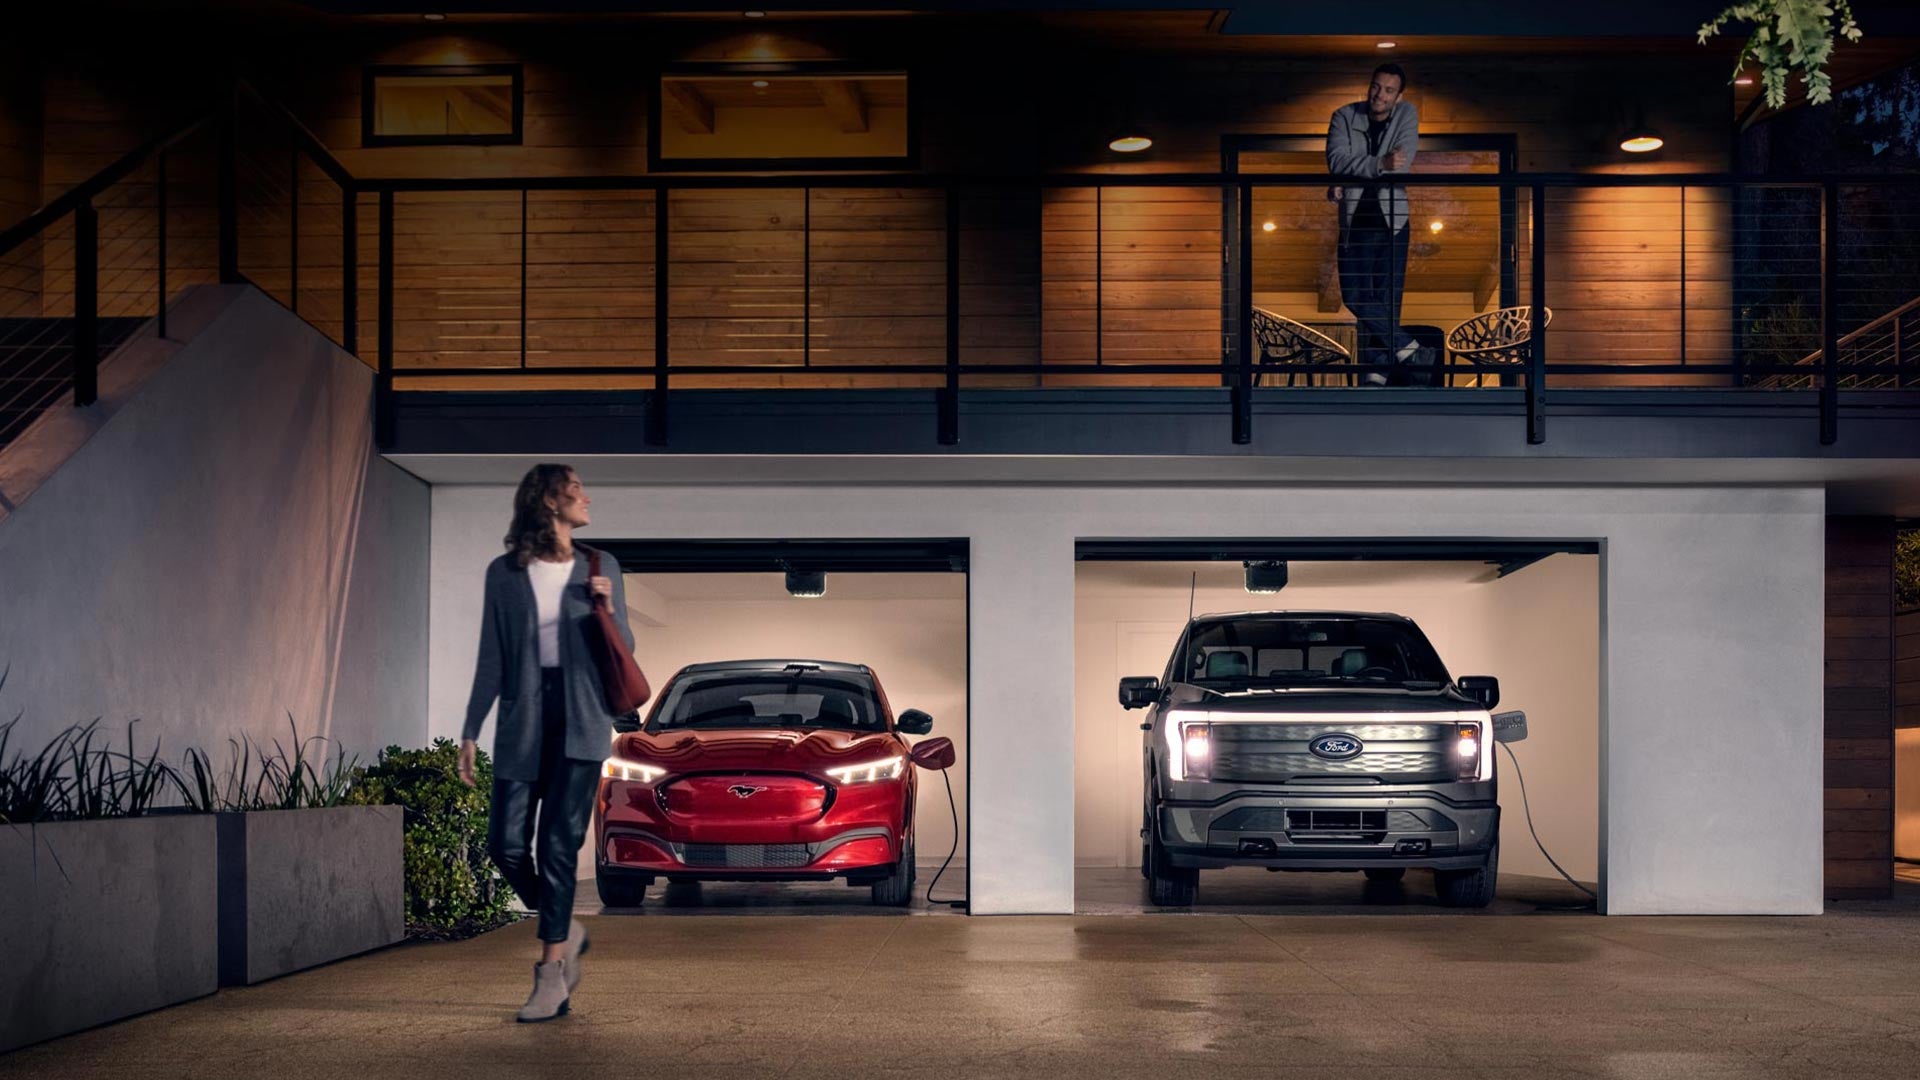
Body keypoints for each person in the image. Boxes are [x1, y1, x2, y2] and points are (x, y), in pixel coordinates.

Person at [458, 464, 635, 1023]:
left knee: (558, 849)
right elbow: (492, 655)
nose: (587, 497)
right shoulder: (505, 573)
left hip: (581, 718)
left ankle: (550, 978)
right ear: (549, 501)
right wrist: (470, 729)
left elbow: (625, 648)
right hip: (522, 719)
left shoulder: (601, 566)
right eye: (577, 489)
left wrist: (604, 605)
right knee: (506, 846)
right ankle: (560, 921)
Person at [1327, 62, 1419, 384]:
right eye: (1376, 87)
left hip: (1394, 222)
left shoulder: (1407, 115)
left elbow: (1401, 165)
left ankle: (1375, 374)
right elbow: (1337, 160)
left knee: (1386, 302)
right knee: (1353, 294)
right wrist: (1379, 163)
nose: (1380, 95)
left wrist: (1352, 173)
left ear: (1398, 95)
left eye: (1389, 90)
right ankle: (1409, 346)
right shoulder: (1343, 116)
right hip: (1356, 222)